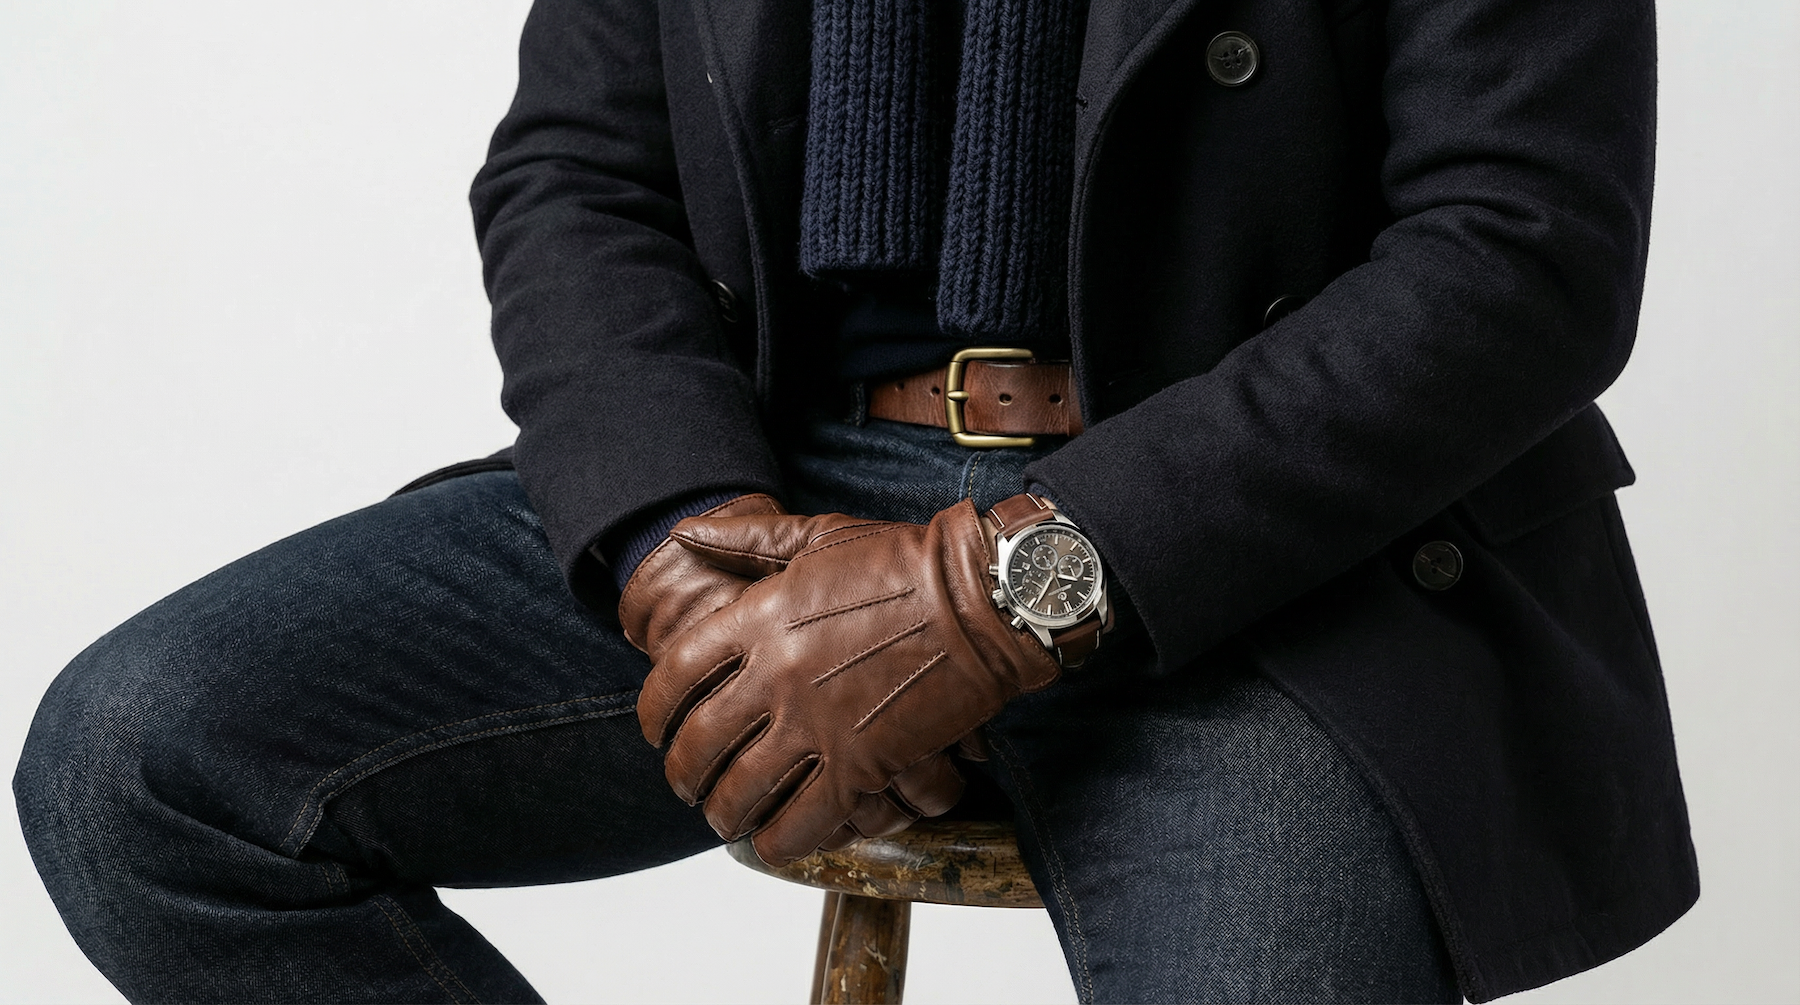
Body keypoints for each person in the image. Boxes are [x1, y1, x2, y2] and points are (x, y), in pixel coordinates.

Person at [13, 0, 1698, 1001]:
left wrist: (1000, 591)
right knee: (146, 764)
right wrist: (674, 538)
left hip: (1242, 534)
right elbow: (576, 169)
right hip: (778, 488)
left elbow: (1520, 250)